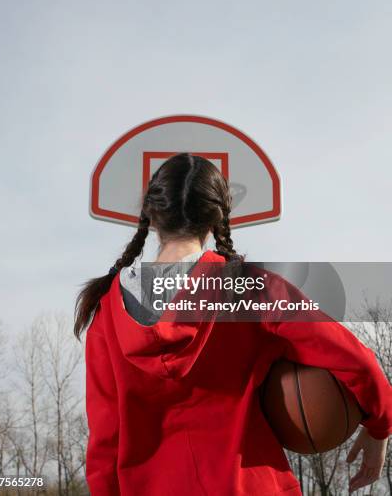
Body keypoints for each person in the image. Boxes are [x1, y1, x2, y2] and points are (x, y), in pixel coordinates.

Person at [74, 153, 391, 496]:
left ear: (150, 214)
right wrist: (380, 425)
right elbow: (353, 358)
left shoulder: (106, 309)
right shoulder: (250, 288)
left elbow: (106, 441)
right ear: (216, 218)